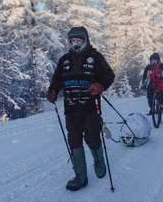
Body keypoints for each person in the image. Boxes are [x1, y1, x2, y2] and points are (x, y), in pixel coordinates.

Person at [46, 26, 115, 191]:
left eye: (79, 40)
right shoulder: (64, 60)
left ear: (85, 40)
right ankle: (80, 176)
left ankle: (99, 161)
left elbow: (109, 75)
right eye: (72, 41)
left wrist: (101, 85)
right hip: (70, 109)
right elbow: (56, 81)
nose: (75, 44)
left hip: (90, 108)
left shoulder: (95, 57)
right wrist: (52, 91)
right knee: (74, 141)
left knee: (92, 138)